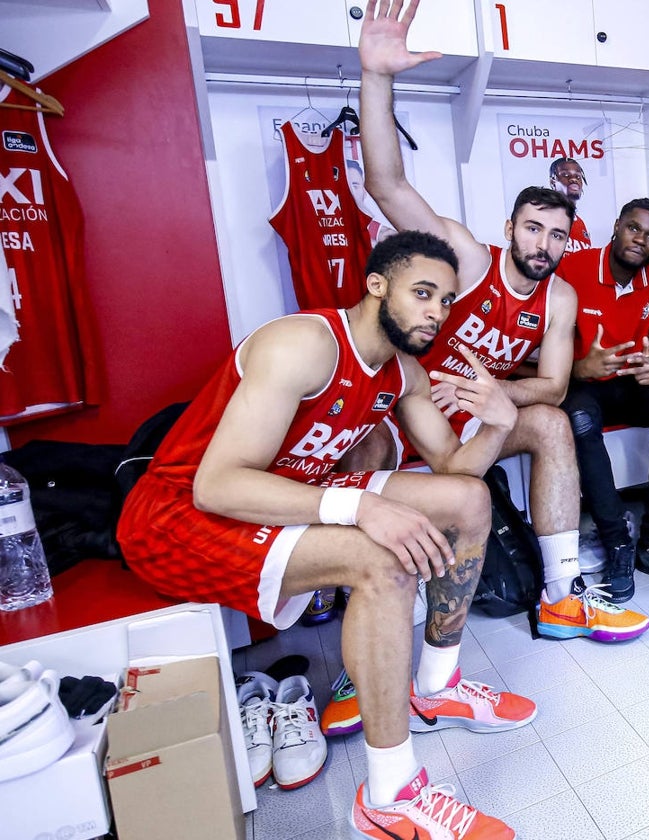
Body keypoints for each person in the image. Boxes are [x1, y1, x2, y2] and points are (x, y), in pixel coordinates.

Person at [118, 229, 526, 839]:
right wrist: (356, 508)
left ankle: (436, 689)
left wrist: (499, 422)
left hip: (283, 498)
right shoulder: (304, 344)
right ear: (376, 285)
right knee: (381, 559)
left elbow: (456, 469)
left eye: (445, 300)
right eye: (422, 293)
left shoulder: (402, 371)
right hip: (177, 518)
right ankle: (390, 796)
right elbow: (217, 486)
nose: (436, 312)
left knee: (468, 500)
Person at [356, 0, 648, 644]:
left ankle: (562, 594)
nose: (544, 245)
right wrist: (377, 76)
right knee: (362, 445)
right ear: (509, 230)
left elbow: (551, 386)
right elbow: (385, 182)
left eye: (558, 236)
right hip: (412, 405)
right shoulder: (465, 256)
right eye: (533, 229)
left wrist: (487, 393)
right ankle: (360, 615)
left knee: (551, 422)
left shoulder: (560, 297)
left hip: (473, 409)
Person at [557, 197, 649, 601]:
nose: (642, 240)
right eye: (635, 228)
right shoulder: (572, 268)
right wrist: (582, 367)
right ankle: (617, 541)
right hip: (581, 382)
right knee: (580, 417)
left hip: (630, 383)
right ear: (617, 226)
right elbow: (545, 351)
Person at [550, 156, 591, 254]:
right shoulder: (544, 217)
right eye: (565, 174)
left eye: (578, 176)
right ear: (553, 183)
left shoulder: (581, 223)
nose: (573, 179)